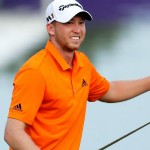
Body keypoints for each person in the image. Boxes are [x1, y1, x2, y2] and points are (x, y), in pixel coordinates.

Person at [4, 0, 150, 149]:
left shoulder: (82, 63)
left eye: (81, 23)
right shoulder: (35, 71)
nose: (77, 29)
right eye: (69, 23)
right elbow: (12, 133)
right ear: (51, 29)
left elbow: (111, 90)